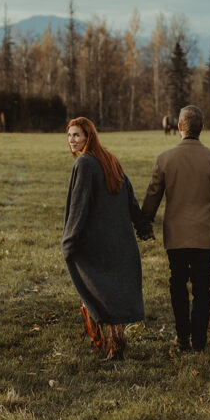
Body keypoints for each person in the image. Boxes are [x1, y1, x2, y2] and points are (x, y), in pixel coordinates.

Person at [142, 105, 210, 352]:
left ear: (179, 127)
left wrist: (145, 223)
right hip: (205, 234)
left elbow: (153, 194)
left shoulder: (165, 159)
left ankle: (183, 337)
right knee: (203, 287)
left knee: (178, 284)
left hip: (177, 235)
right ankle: (200, 342)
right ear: (202, 128)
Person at [62, 117, 153, 360]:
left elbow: (78, 206)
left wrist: (69, 241)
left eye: (77, 135)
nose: (72, 140)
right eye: (69, 135)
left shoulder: (84, 164)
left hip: (96, 242)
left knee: (91, 287)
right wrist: (142, 225)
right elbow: (131, 198)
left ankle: (102, 341)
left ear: (88, 137)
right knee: (108, 290)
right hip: (118, 241)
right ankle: (112, 342)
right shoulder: (109, 159)